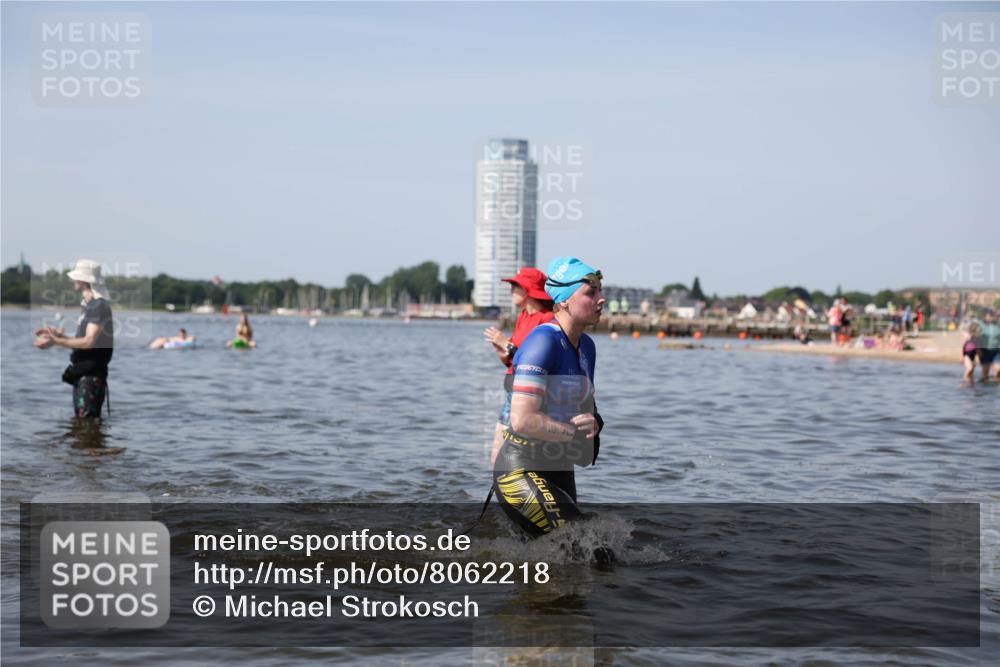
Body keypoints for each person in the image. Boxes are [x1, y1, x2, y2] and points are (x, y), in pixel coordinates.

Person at [493, 256, 606, 545]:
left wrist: (595, 422)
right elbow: (522, 419)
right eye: (591, 293)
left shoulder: (587, 348)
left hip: (559, 468)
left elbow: (586, 408)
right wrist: (571, 435)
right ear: (564, 300)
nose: (601, 299)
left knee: (576, 555)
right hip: (520, 469)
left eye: (600, 291)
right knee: (586, 545)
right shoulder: (543, 342)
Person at [482, 268, 555, 466]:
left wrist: (506, 344)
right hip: (511, 391)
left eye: (515, 286)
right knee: (496, 453)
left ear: (529, 289)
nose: (511, 290)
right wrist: (502, 352)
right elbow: (513, 359)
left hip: (529, 397)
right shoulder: (523, 316)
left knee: (514, 456)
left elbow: (533, 363)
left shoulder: (547, 319)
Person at [33, 259, 114, 418]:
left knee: (87, 423)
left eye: (76, 277)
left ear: (84, 280)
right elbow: (84, 341)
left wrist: (56, 342)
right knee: (83, 426)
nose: (73, 280)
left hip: (91, 376)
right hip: (84, 373)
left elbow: (88, 342)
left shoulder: (98, 306)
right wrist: (59, 336)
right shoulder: (89, 306)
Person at [975, 309, 1000, 382]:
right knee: (985, 371)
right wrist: (978, 350)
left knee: (998, 369)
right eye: (990, 316)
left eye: (993, 315)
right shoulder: (981, 325)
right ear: (985, 316)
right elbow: (976, 338)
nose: (992, 317)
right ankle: (986, 389)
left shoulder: (998, 325)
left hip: (996, 351)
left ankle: (996, 388)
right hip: (984, 351)